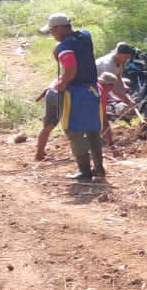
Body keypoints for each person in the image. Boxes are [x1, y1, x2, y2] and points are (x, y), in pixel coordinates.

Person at [33, 13, 106, 182]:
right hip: (93, 90)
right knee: (93, 130)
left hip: (76, 94)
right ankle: (99, 169)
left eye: (53, 30)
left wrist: (60, 84)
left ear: (60, 28)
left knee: (74, 131)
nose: (52, 34)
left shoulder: (64, 47)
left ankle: (85, 171)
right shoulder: (85, 36)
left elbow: (71, 71)